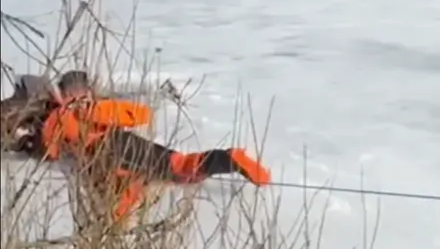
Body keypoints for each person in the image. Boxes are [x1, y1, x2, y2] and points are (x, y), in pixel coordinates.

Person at [2, 71, 270, 222]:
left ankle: (231, 158)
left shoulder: (68, 117)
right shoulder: (73, 115)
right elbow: (139, 114)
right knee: (173, 171)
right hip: (113, 152)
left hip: (114, 150)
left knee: (177, 170)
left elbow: (138, 114)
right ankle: (230, 158)